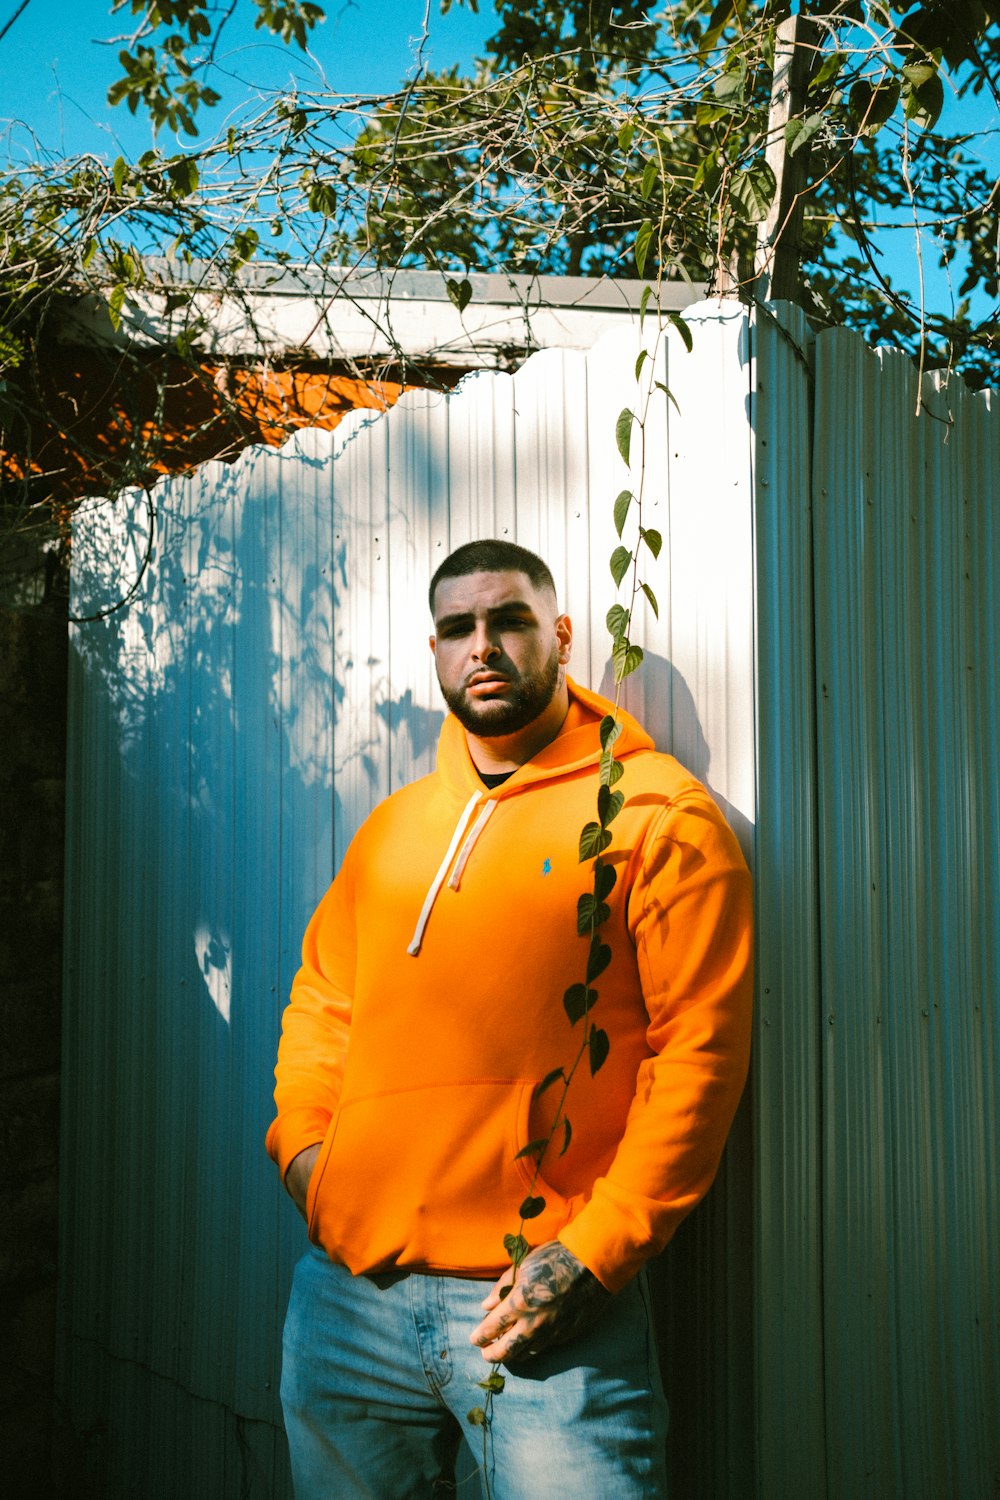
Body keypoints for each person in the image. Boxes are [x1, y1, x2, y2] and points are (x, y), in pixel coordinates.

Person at [266, 538, 753, 1500]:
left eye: (509, 621)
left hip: (540, 1313)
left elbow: (697, 1052)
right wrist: (309, 1163)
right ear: (437, 652)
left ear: (560, 635)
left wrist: (594, 1253)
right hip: (350, 1301)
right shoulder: (394, 828)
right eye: (458, 629)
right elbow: (322, 1003)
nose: (481, 646)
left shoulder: (659, 815)